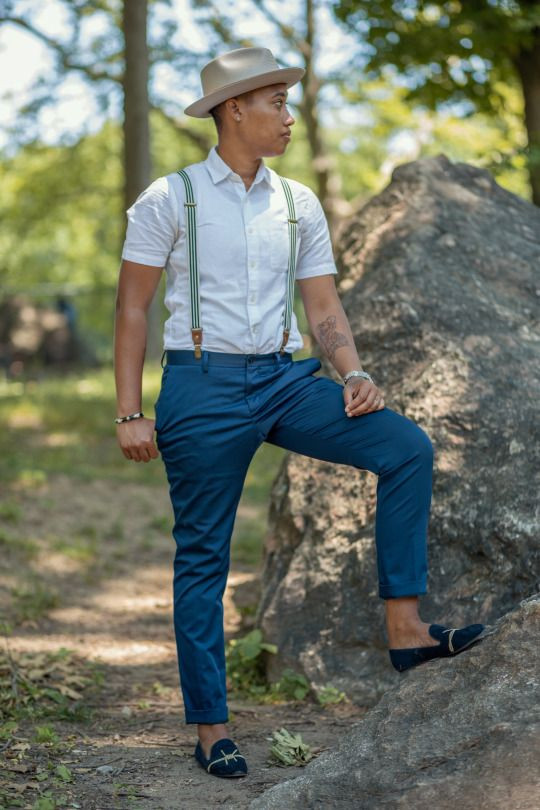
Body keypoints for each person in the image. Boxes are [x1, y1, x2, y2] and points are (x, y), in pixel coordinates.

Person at [113, 47, 486, 779]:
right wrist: (129, 412)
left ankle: (406, 628)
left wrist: (355, 372)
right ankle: (211, 727)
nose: (289, 115)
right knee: (203, 557)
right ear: (234, 111)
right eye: (277, 101)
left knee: (405, 447)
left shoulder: (298, 202)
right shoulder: (170, 198)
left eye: (287, 100)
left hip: (286, 380)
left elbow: (322, 305)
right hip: (203, 387)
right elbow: (132, 305)